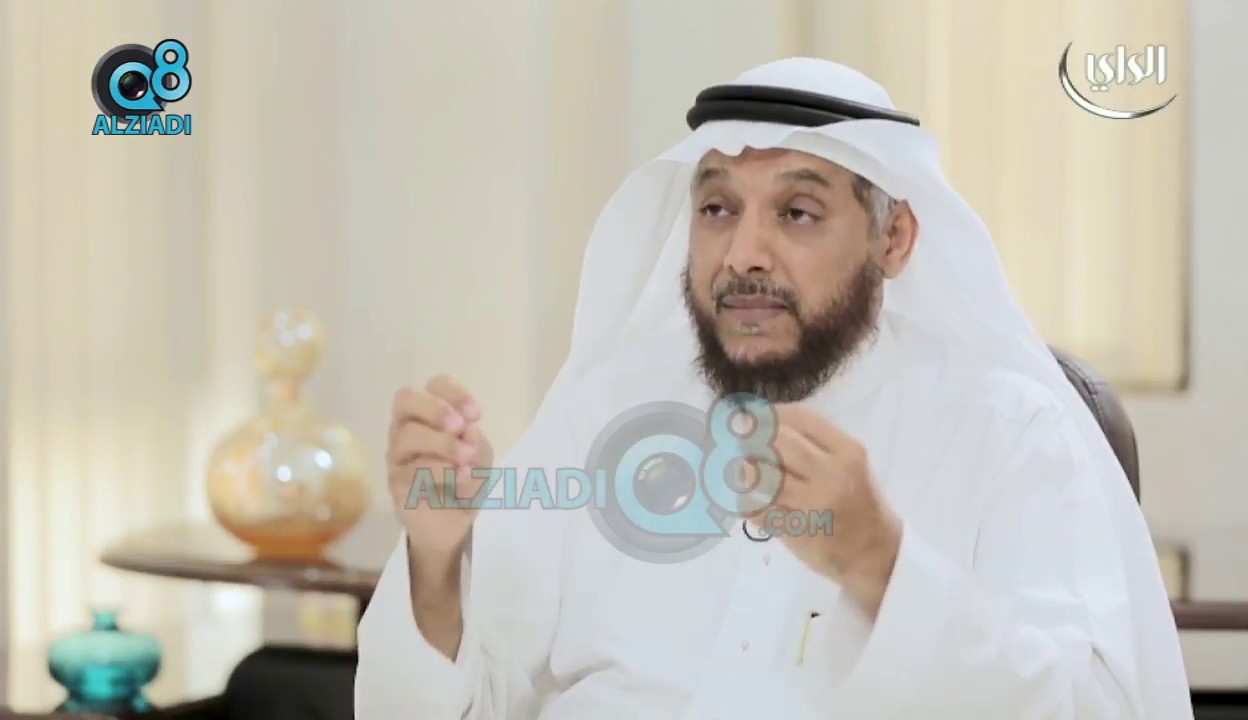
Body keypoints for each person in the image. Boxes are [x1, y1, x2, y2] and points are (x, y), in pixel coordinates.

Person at [355, 58, 1193, 719]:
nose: (743, 255)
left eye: (796, 213)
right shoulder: (608, 408)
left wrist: (882, 565)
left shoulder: (1006, 429)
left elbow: (1095, 707)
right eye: (718, 210)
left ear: (894, 239)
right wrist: (437, 561)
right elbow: (472, 699)